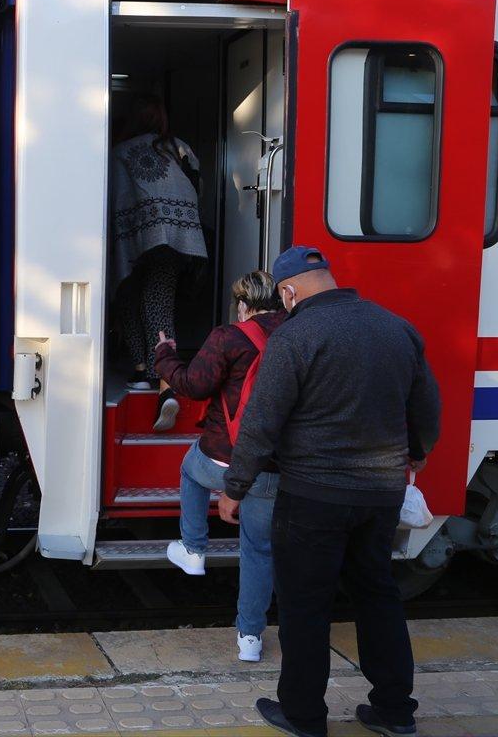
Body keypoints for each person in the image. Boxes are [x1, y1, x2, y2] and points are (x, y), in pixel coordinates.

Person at [221, 247, 441, 737]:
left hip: (314, 496)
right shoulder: (395, 327)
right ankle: (394, 711)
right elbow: (427, 407)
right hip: (380, 493)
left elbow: (262, 421)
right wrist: (418, 452)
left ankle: (303, 715)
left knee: (305, 605)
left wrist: (235, 486)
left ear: (290, 291)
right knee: (378, 595)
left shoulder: (295, 335)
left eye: (283, 299)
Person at [153, 270, 286, 663]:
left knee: (190, 469)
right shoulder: (295, 331)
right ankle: (250, 639)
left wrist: (165, 354)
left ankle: (193, 548)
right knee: (258, 551)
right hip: (272, 466)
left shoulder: (229, 336)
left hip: (223, 456)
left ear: (243, 305)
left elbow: (193, 384)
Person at [110, 94, 207, 431]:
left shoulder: (119, 153)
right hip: (180, 235)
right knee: (159, 299)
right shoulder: (178, 147)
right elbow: (197, 184)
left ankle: (147, 371)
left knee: (126, 294)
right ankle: (162, 377)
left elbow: (113, 195)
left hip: (137, 234)